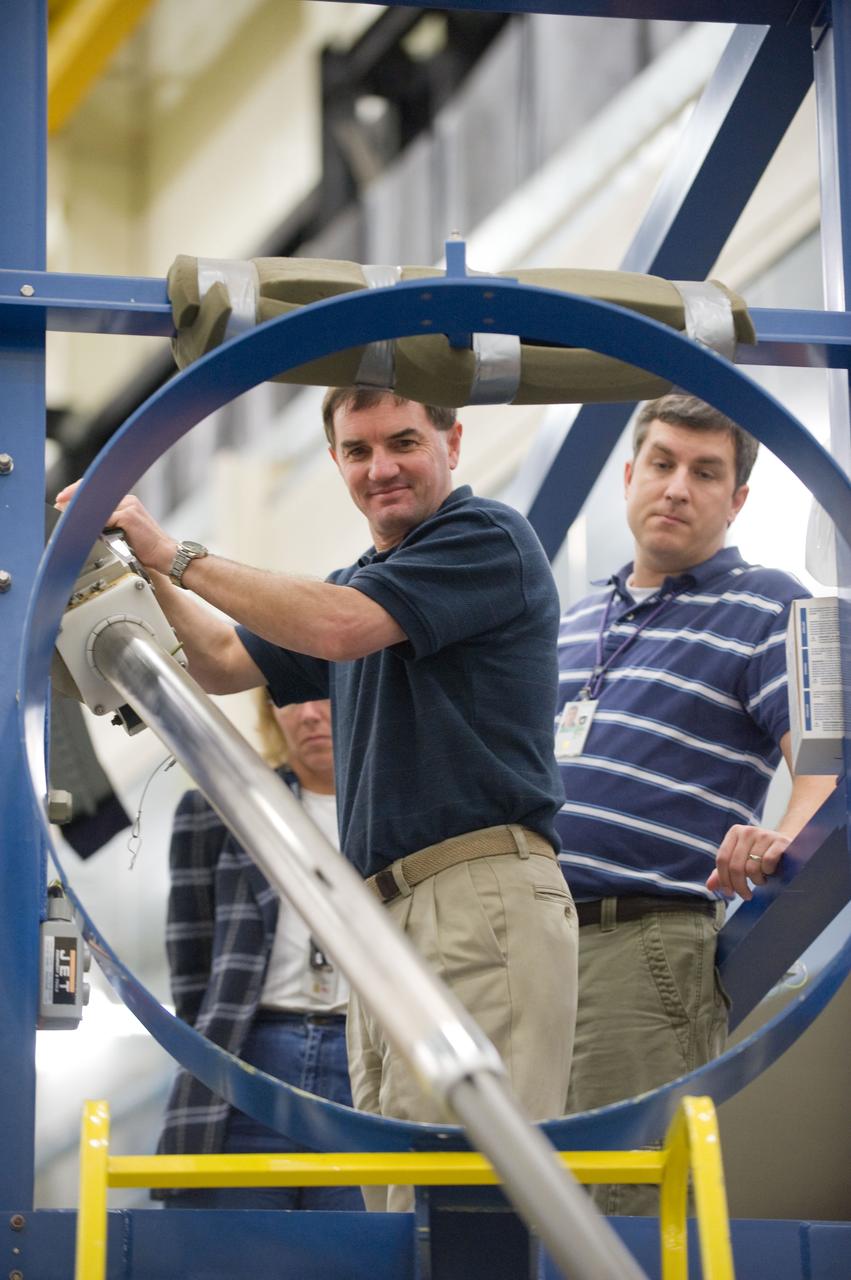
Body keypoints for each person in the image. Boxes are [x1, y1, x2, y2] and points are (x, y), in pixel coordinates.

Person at [57, 388, 578, 1211]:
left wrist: (178, 552)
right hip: (384, 918)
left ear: (454, 440)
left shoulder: (484, 540)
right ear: (334, 461)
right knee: (401, 1210)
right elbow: (224, 658)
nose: (382, 468)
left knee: (472, 1210)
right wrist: (136, 565)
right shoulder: (367, 583)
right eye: (358, 450)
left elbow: (337, 628)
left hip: (474, 899)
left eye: (404, 442)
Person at [554, 393, 835, 1214]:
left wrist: (777, 840)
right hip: (523, 950)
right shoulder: (569, 622)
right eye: (662, 463)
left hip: (639, 949)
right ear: (628, 475)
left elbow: (825, 776)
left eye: (705, 472)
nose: (677, 487)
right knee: (515, 1215)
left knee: (620, 1215)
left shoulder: (768, 605)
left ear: (736, 499)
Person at [158, 694, 363, 1211]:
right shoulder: (218, 810)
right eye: (288, 697)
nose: (309, 713)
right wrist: (209, 1056)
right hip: (246, 1061)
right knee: (231, 1255)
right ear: (271, 712)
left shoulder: (404, 818)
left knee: (363, 1256)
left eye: (325, 693)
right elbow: (190, 967)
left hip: (367, 1064)